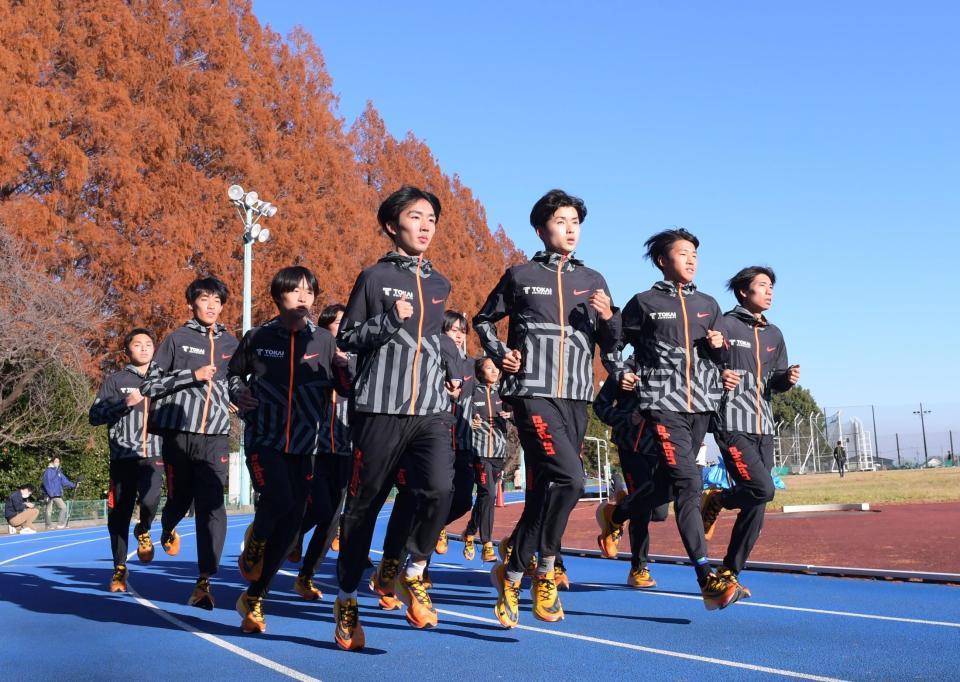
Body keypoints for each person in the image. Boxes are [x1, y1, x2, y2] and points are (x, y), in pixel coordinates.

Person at [474, 189, 624, 628]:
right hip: (532, 391)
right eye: (561, 220)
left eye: (576, 221)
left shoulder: (595, 280)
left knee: (546, 489)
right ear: (541, 228)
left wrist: (610, 318)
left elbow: (610, 344)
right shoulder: (520, 275)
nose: (571, 228)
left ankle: (512, 570)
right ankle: (545, 568)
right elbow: (483, 319)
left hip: (577, 396)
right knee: (572, 478)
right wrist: (501, 351)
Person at [332, 186, 460, 651]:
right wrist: (390, 318)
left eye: (432, 218)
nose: (426, 226)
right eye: (415, 217)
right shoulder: (374, 276)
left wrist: (456, 370)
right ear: (392, 225)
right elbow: (347, 336)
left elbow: (438, 340)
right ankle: (346, 597)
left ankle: (413, 570)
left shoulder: (442, 284)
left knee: (440, 489)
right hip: (379, 410)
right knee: (363, 508)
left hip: (430, 409)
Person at [597, 228, 741, 611]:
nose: (692, 260)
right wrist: (617, 372)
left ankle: (618, 513)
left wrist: (720, 355)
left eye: (695, 254)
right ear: (663, 260)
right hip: (662, 403)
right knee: (688, 483)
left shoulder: (710, 305)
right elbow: (614, 343)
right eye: (683, 253)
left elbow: (723, 358)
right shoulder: (644, 303)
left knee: (666, 487)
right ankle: (705, 577)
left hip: (701, 407)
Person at [228, 267, 349, 634]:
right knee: (278, 500)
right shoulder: (258, 337)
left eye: (308, 292)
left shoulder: (325, 343)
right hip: (264, 439)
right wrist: (238, 393)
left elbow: (345, 389)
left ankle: (255, 596)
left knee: (294, 519)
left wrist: (344, 368)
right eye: (294, 290)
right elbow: (232, 376)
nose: (302, 297)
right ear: (278, 296)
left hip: (305, 446)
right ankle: (257, 540)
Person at [700, 266, 800, 599]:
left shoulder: (775, 333)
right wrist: (718, 368)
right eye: (762, 286)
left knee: (758, 500)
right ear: (744, 291)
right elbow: (704, 365)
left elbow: (776, 380)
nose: (770, 292)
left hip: (763, 425)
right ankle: (718, 499)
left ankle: (730, 571)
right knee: (762, 488)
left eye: (772, 286)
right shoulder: (725, 324)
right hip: (731, 422)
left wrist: (786, 379)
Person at [140, 276, 239, 610]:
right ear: (192, 303)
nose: (211, 306)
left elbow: (237, 380)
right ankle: (167, 528)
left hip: (215, 435)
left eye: (217, 300)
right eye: (205, 299)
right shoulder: (177, 340)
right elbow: (149, 385)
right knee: (180, 500)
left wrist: (238, 394)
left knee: (212, 505)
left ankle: (204, 581)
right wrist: (191, 376)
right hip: (178, 435)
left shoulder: (230, 342)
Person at [367, 310, 469, 608]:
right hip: (417, 439)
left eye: (462, 330)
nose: (458, 335)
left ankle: (417, 545)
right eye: (451, 330)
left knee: (459, 499)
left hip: (459, 447)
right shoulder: (421, 357)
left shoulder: (471, 366)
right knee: (410, 499)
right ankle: (392, 565)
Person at [89, 328, 165, 592]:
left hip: (153, 454)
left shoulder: (164, 379)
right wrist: (125, 402)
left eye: (148, 343)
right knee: (118, 516)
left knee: (151, 499)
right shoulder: (116, 381)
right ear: (127, 351)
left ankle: (143, 528)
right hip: (122, 456)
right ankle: (119, 569)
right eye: (137, 344)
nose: (144, 348)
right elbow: (94, 416)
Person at [290, 303, 356, 602]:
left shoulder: (356, 359)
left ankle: (307, 575)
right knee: (316, 508)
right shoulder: (311, 353)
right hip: (312, 445)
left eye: (347, 322)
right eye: (338, 322)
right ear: (326, 325)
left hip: (344, 448)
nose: (343, 327)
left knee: (332, 516)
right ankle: (289, 537)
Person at [593, 357, 671, 588]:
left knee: (659, 513)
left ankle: (616, 514)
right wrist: (627, 418)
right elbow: (600, 406)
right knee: (643, 510)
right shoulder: (625, 369)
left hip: (665, 447)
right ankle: (638, 568)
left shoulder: (675, 365)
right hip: (633, 447)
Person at [463, 356, 511, 563]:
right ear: (480, 372)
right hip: (479, 451)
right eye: (489, 368)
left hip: (499, 453)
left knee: (486, 497)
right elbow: (463, 412)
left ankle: (469, 532)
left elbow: (518, 414)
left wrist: (512, 415)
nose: (494, 371)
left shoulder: (504, 392)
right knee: (488, 493)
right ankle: (487, 544)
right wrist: (470, 420)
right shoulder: (474, 391)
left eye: (496, 368)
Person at [41, 456, 77, 529]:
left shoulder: (59, 472)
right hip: (49, 494)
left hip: (57, 494)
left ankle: (60, 524)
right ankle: (48, 525)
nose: (57, 463)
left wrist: (74, 485)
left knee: (63, 507)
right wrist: (50, 493)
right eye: (56, 461)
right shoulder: (48, 471)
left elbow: (65, 481)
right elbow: (46, 482)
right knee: (48, 510)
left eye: (58, 461)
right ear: (52, 462)